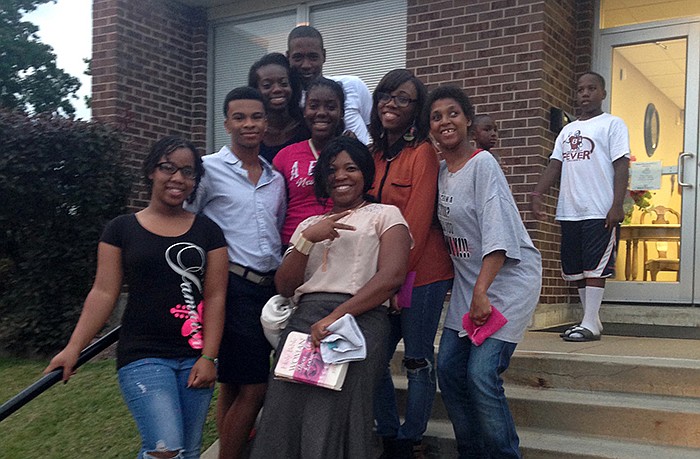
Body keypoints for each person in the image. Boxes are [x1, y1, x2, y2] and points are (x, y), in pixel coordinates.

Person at [45, 136, 229, 459]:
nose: (177, 178)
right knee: (165, 449)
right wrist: (73, 348)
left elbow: (215, 296)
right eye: (167, 168)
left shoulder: (208, 232)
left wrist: (209, 357)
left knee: (188, 452)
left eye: (187, 172)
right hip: (143, 355)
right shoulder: (121, 229)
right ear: (150, 172)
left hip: (194, 357)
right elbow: (103, 292)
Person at [249, 136, 412, 459]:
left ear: (365, 174)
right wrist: (308, 240)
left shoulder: (385, 215)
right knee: (285, 406)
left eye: (351, 168)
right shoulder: (310, 224)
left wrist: (336, 317)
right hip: (304, 322)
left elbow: (391, 277)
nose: (341, 176)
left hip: (358, 321)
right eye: (333, 170)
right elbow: (285, 285)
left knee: (336, 409)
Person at [426, 85, 542, 458]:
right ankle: (472, 452)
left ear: (469, 121)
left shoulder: (483, 164)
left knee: (480, 375)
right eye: (437, 115)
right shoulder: (441, 172)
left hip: (506, 281)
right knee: (448, 369)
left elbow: (499, 237)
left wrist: (482, 293)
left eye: (453, 113)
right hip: (470, 284)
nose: (446, 120)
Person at [185, 86, 286, 459]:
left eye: (256, 117)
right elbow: (189, 222)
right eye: (240, 117)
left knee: (233, 383)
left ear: (266, 122)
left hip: (269, 289)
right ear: (226, 122)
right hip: (231, 286)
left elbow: (274, 229)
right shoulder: (208, 169)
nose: (249, 124)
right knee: (255, 387)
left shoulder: (275, 178)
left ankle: (229, 450)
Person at [368, 69, 453, 459]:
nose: (391, 103)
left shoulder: (423, 154)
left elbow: (416, 223)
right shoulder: (370, 156)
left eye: (403, 98)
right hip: (381, 275)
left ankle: (411, 436)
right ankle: (387, 430)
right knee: (373, 359)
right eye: (386, 95)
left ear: (416, 109)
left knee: (417, 359)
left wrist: (394, 284)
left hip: (422, 274)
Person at [531, 71, 630, 342]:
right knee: (575, 269)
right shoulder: (567, 130)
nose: (585, 93)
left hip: (599, 209)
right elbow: (555, 164)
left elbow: (621, 164)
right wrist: (538, 192)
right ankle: (592, 321)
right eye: (581, 89)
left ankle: (587, 323)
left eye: (592, 88)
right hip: (570, 210)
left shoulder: (613, 124)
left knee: (595, 267)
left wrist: (617, 204)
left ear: (603, 93)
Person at [273, 77, 343, 245]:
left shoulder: (353, 153)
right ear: (304, 111)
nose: (321, 112)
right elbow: (273, 207)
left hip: (341, 242)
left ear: (342, 112)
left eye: (331, 107)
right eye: (313, 106)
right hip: (294, 243)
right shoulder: (285, 156)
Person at [286, 25, 373, 144]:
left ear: (324, 56)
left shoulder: (352, 85)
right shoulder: (288, 102)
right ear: (288, 58)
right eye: (298, 57)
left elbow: (376, 130)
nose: (306, 65)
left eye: (313, 57)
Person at [247, 52, 309, 163]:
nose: (277, 89)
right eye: (267, 85)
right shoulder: (251, 131)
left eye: (283, 83)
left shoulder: (308, 125)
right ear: (255, 90)